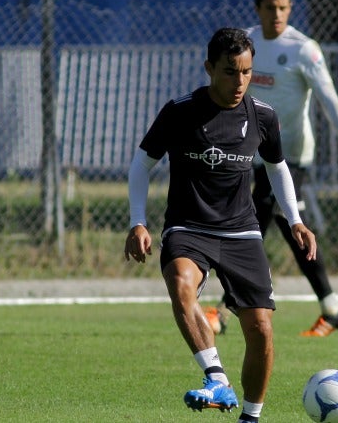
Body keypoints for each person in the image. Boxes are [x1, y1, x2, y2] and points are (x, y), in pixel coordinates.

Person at [124, 27, 316, 423]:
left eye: (246, 72)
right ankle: (216, 379)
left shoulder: (262, 116)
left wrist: (295, 219)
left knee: (261, 329)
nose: (239, 82)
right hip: (188, 227)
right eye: (230, 72)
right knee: (180, 283)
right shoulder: (179, 112)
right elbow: (142, 165)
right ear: (209, 68)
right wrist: (137, 222)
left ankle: (250, 417)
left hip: (241, 231)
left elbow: (277, 168)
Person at [207, 0, 338, 338]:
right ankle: (331, 308)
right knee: (278, 220)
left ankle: (225, 309)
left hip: (291, 155)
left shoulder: (303, 49)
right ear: (258, 8)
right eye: (270, 7)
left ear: (291, 7)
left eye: (283, 7)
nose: (277, 15)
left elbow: (329, 98)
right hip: (253, 151)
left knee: (258, 214)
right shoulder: (247, 44)